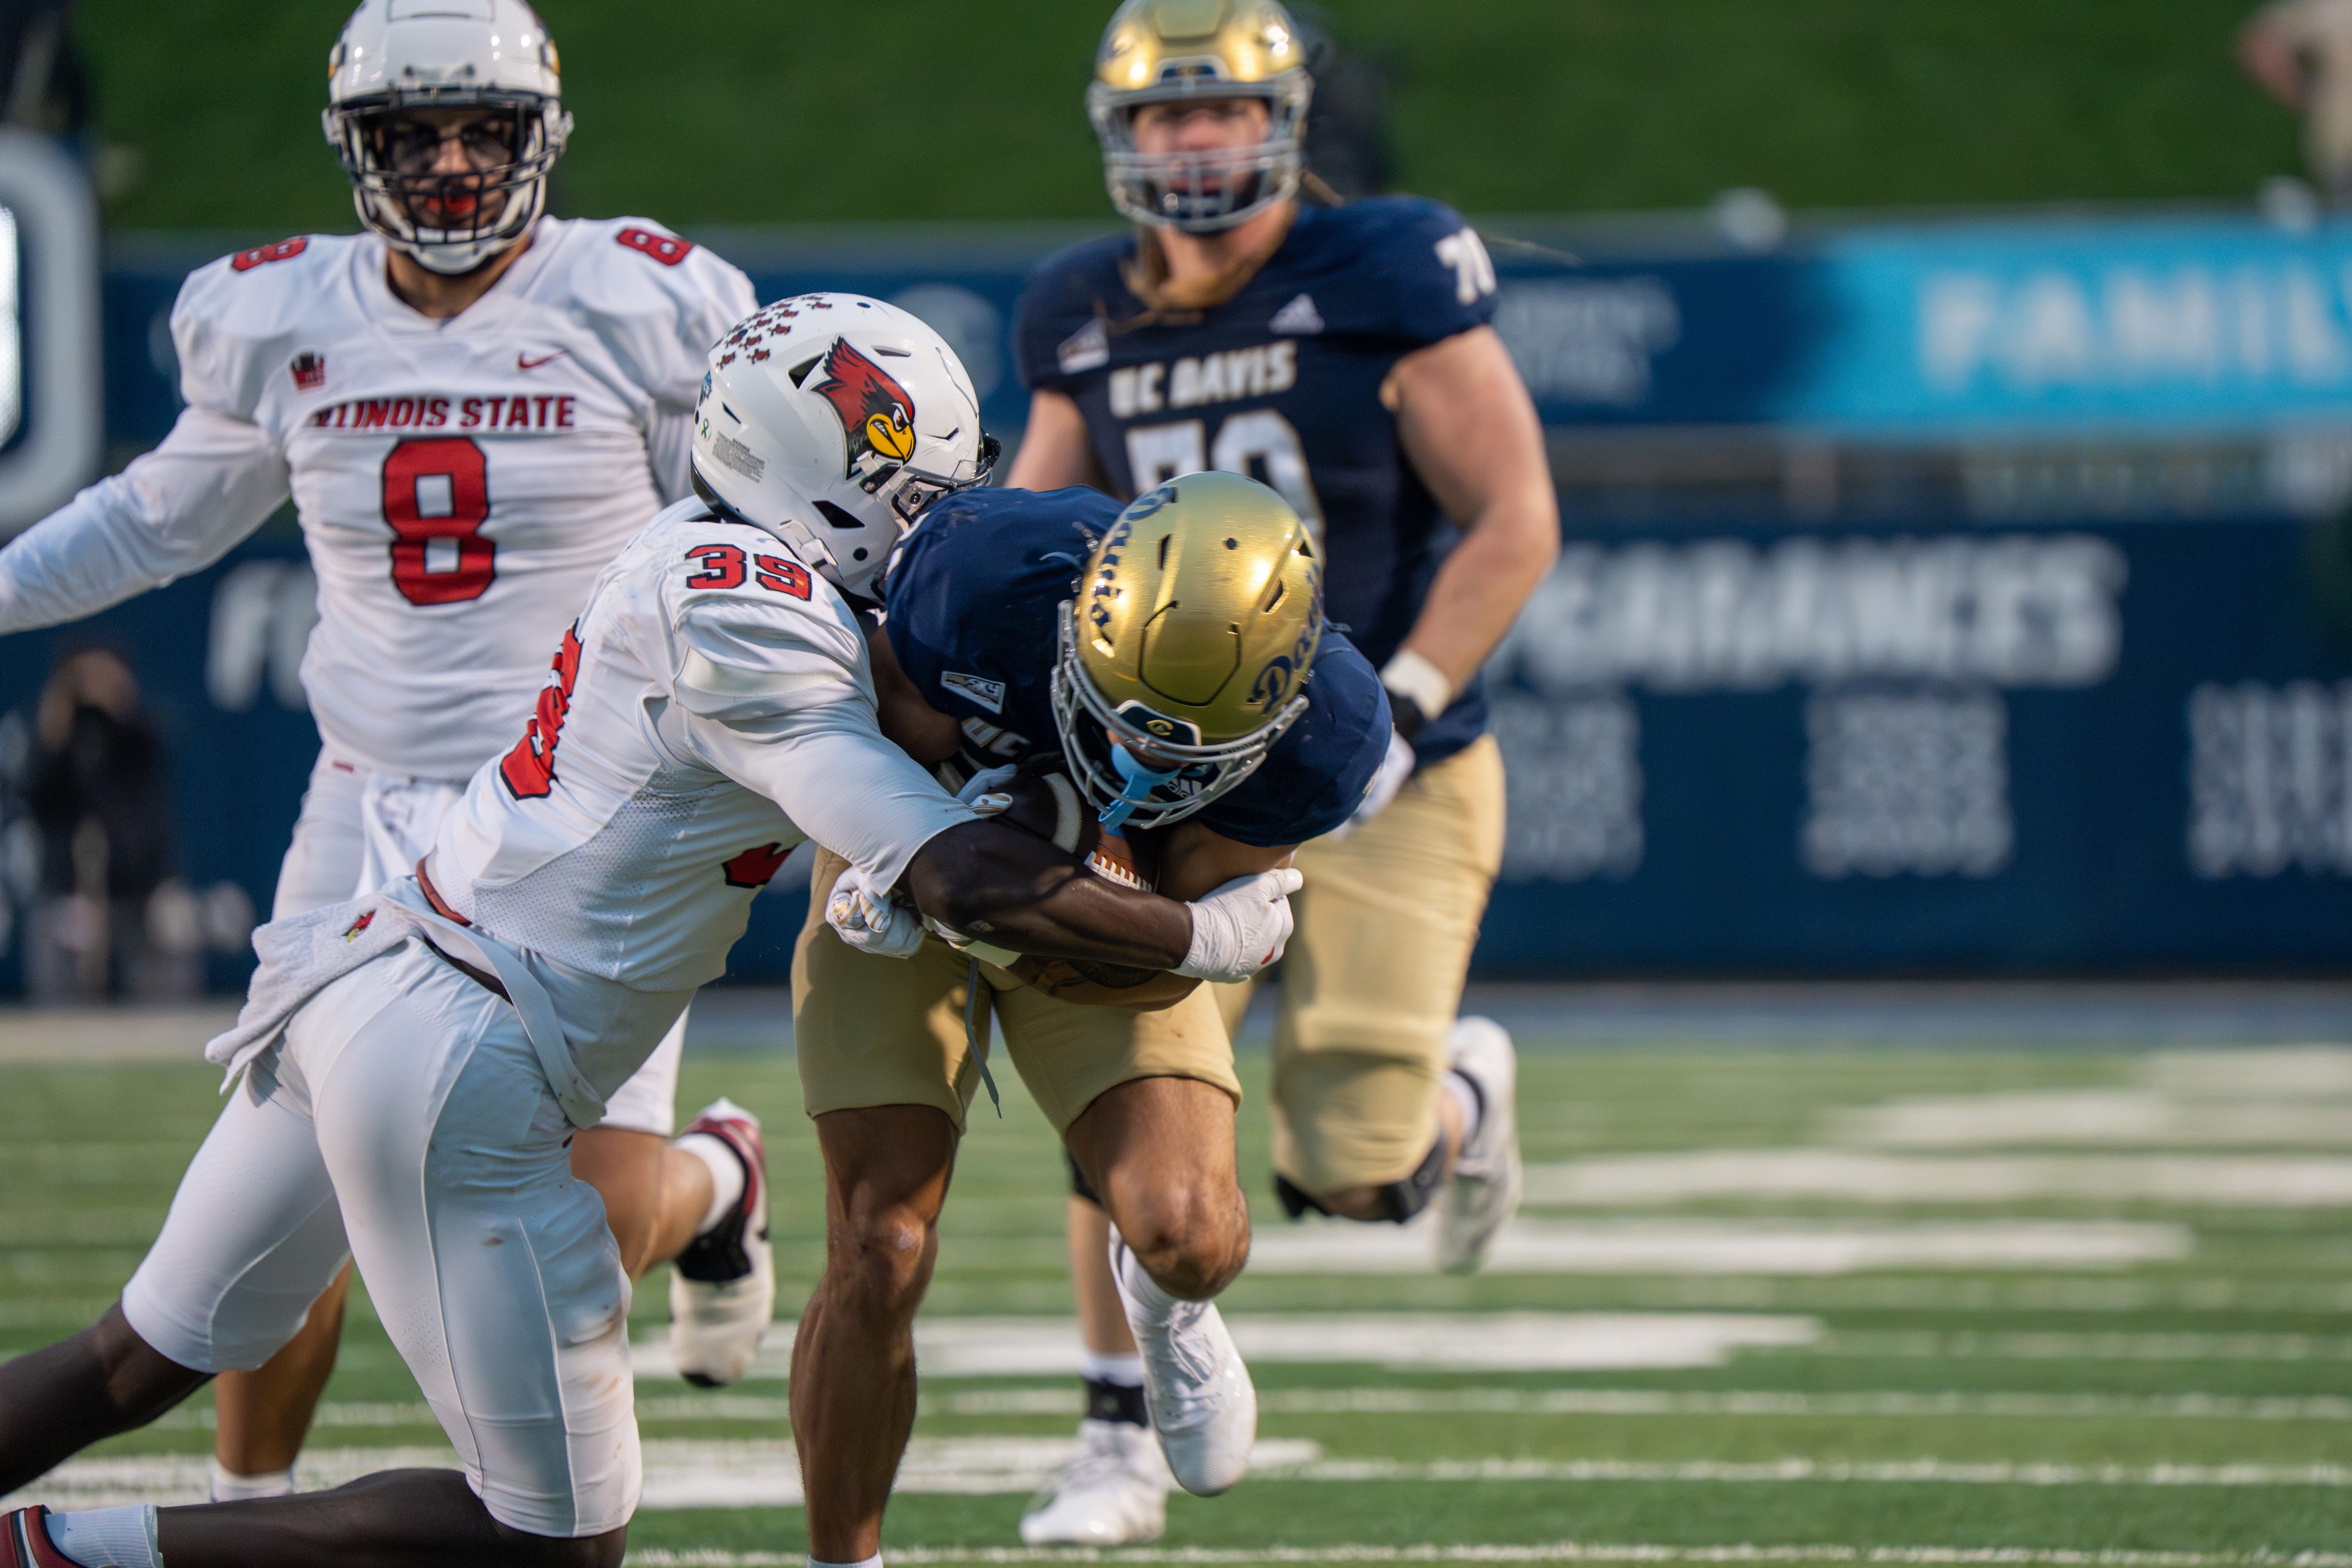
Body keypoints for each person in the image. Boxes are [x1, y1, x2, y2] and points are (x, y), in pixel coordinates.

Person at [0, 298, 1304, 1568]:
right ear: (823, 499)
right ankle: (62, 1551)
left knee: (133, 1357)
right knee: (551, 1536)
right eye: (920, 498)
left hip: (382, 978)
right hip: (465, 1053)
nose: (946, 524)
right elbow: (959, 873)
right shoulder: (748, 620)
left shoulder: (711, 548)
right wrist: (1199, 935)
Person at [0, 0, 772, 1500]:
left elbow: (745, 531)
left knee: (599, 1218)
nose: (451, 163)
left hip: (581, 811)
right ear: (355, 146)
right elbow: (157, 519)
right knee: (291, 1221)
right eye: (412, 133)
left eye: (484, 130)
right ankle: (247, 1508)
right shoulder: (285, 315)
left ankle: (720, 1177)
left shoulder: (640, 298)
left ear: (542, 137)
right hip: (367, 806)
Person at [1003, 0, 1561, 1542]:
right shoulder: (1078, 309)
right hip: (1188, 784)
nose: (1195, 142)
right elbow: (1024, 542)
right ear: (1122, 134)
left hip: (1397, 762)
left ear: (1283, 122)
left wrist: (1401, 708)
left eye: (1222, 110)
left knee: (1355, 1174)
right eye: (1166, 114)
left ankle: (1461, 1093)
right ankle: (1113, 1437)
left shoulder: (1382, 269)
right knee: (1124, 1095)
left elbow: (1514, 516)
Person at [790, 469, 1390, 1559]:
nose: (1137, 761)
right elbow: (868, 740)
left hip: (1112, 922)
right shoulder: (980, 575)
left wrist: (1035, 908)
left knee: (1189, 1237)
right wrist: (911, 860)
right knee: (879, 1240)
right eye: (1120, 721)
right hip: (914, 844)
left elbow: (1153, 965)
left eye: (1180, 753)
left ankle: (1165, 1309)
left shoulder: (1327, 733)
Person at [23, 646, 194, 1003]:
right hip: (67, 893)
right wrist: (62, 712)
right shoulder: (56, 742)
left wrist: (115, 706)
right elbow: (38, 795)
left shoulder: (139, 738)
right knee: (62, 954)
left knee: (173, 929)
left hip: (139, 891)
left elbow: (146, 773)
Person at [2242, 0, 2352, 200]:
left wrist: (2310, 96)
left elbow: (2263, 45)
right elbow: (2263, 45)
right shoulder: (2332, 9)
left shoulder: (2328, 8)